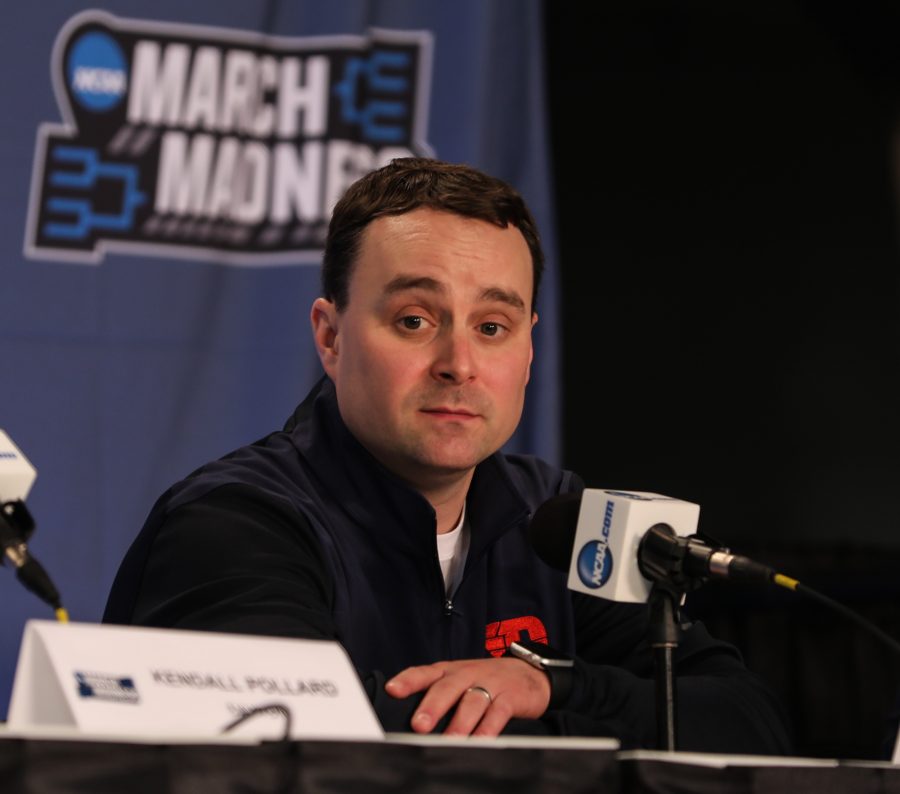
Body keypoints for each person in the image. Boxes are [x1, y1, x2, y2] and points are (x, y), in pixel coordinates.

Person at [104, 157, 791, 751]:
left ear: (528, 349)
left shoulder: (559, 518)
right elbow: (290, 739)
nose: (459, 363)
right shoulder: (234, 521)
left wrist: (549, 685)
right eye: (414, 321)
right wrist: (589, 718)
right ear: (331, 336)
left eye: (493, 326)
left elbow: (745, 723)